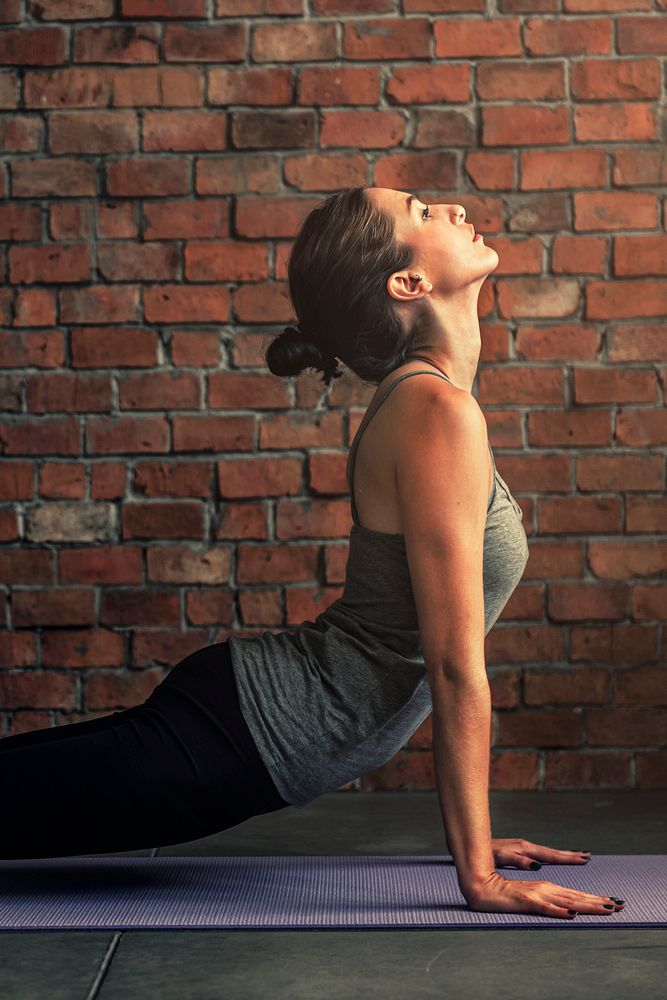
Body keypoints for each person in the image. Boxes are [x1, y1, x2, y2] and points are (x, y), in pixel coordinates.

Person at [1, 187, 625, 921]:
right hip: (247, 731)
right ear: (408, 284)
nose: (453, 209)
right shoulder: (435, 412)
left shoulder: (431, 403)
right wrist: (477, 877)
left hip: (248, 720)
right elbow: (453, 666)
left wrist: (477, 840)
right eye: (422, 212)